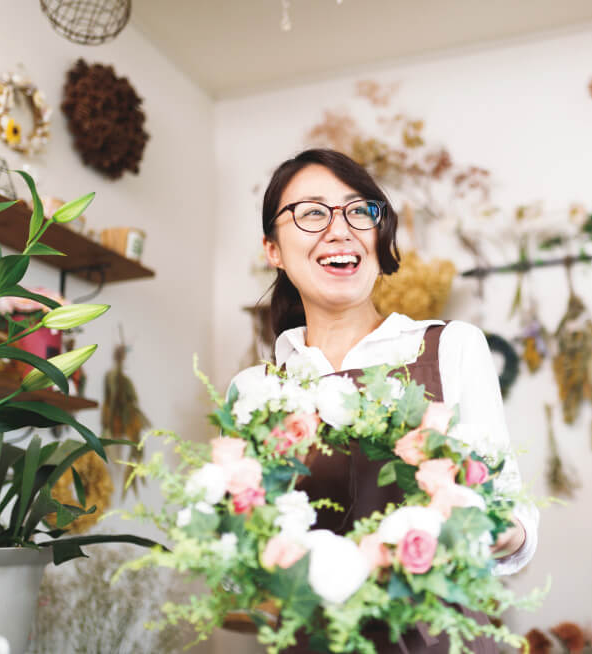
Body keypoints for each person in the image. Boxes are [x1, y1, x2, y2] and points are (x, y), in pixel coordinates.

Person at [230, 148, 538, 653]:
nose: (339, 230)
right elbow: (237, 566)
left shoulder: (451, 346)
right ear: (273, 249)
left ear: (378, 234)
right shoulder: (253, 390)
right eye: (311, 213)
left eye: (359, 210)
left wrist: (496, 529)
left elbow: (510, 512)